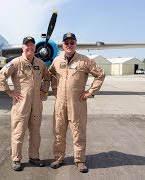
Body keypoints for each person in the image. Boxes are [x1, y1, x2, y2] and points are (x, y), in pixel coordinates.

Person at [44, 32, 105, 173]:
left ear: (75, 44)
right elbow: (49, 74)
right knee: (58, 131)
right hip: (60, 103)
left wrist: (90, 91)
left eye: (72, 42)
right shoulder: (57, 60)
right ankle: (59, 157)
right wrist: (52, 88)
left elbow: (100, 74)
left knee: (78, 132)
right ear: (63, 45)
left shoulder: (84, 60)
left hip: (77, 103)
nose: (69, 45)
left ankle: (79, 160)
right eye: (67, 43)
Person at [0, 36, 50, 171]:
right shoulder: (16, 62)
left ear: (35, 47)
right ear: (22, 47)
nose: (30, 47)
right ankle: (16, 159)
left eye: (32, 45)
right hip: (21, 104)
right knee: (18, 132)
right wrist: (9, 92)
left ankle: (34, 157)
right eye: (27, 45)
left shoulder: (40, 63)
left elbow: (48, 77)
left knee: (35, 132)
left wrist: (44, 91)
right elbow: (0, 77)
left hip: (36, 104)